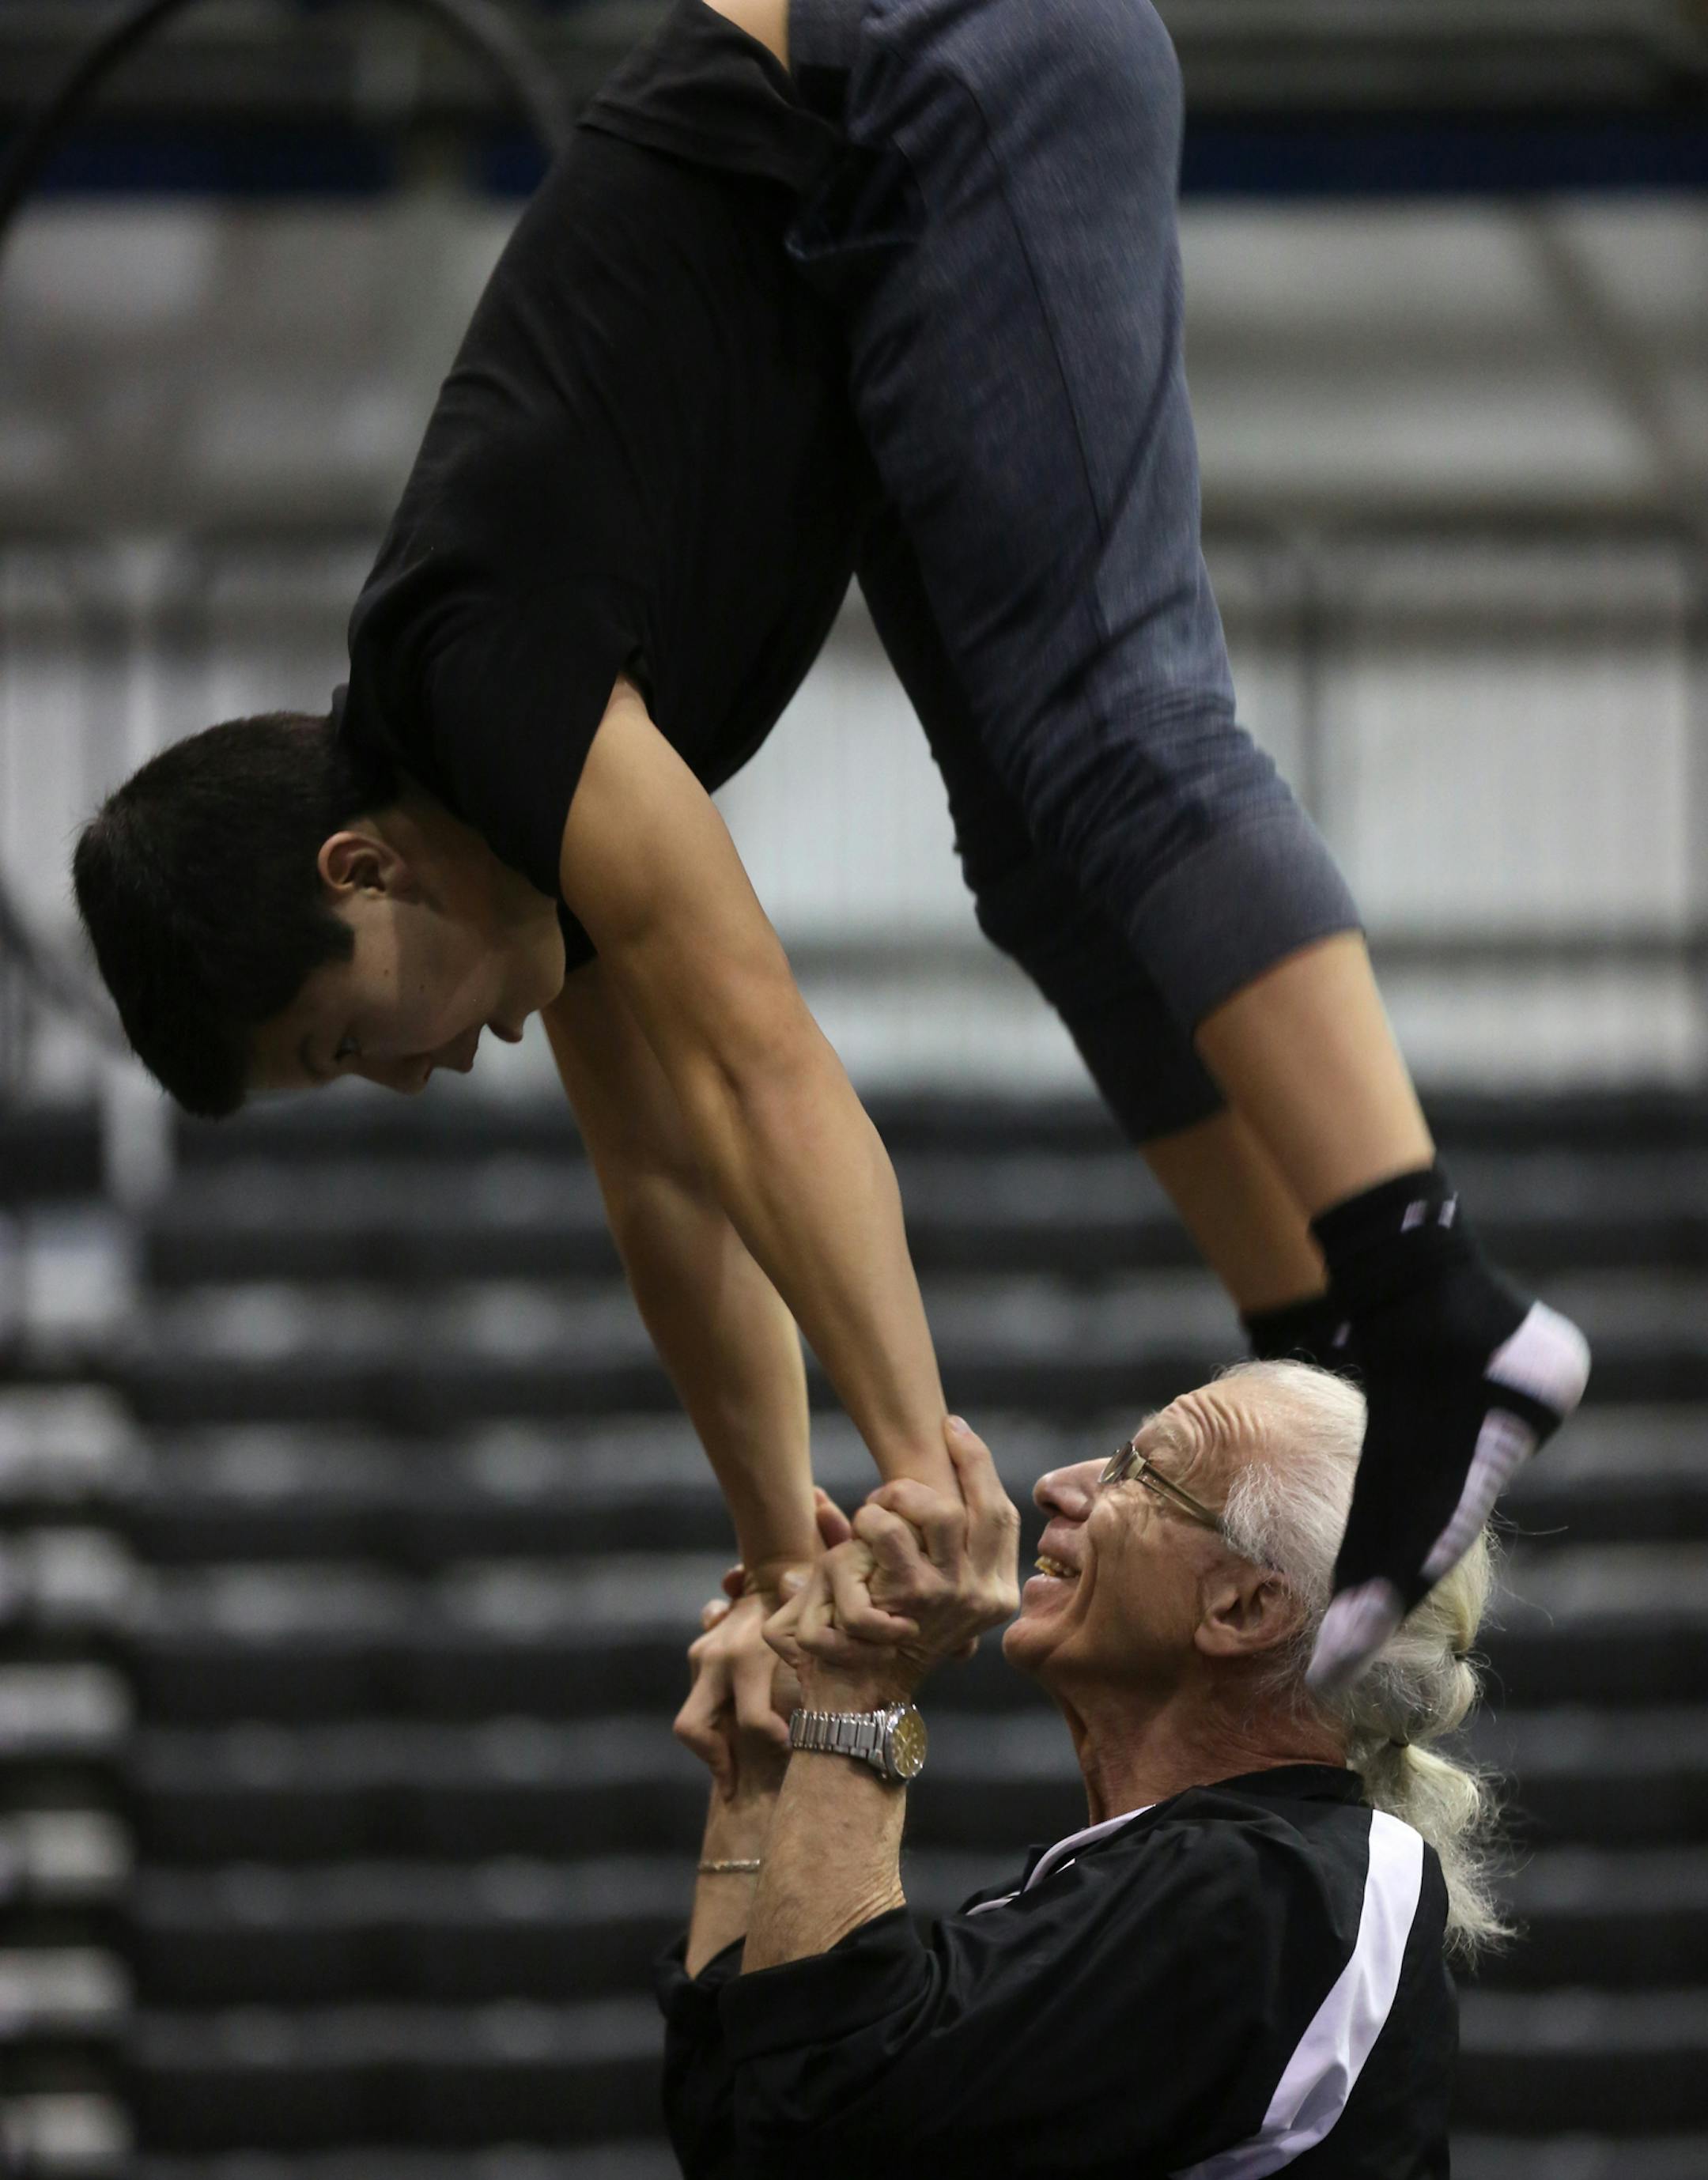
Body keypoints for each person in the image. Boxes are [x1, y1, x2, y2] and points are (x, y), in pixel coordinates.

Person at [68, 0, 1587, 1703]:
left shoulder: (475, 678)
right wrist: (794, 1565)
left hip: (942, 64)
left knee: (1114, 726)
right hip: (882, 229)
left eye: (350, 1038)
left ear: (361, 870)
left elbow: (767, 1066)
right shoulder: (513, 840)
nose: (410, 1076)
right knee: (1044, 868)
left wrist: (924, 1473)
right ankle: (1321, 1340)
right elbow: (667, 1196)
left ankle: (1435, 1297)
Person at [660, 1363, 1497, 2178]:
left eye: (1144, 1471)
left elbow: (825, 2104)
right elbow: (742, 2126)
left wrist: (858, 1685)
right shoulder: (1228, 1880)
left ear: (1245, 1608)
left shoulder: (1272, 1889)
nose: (1059, 1487)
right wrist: (765, 1773)